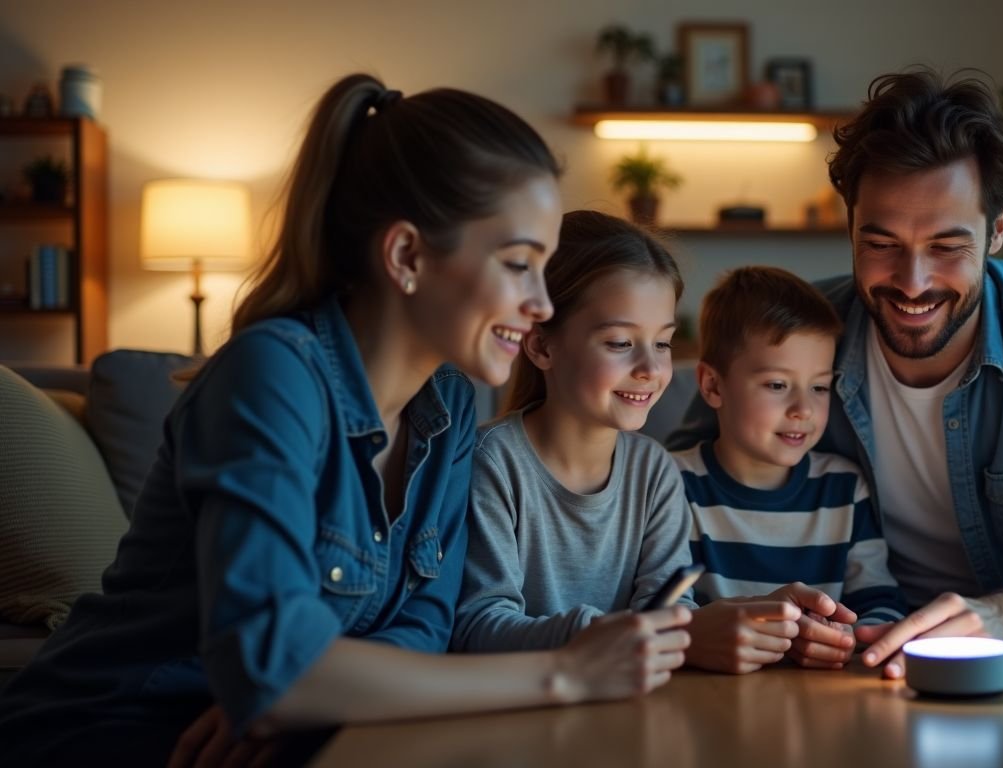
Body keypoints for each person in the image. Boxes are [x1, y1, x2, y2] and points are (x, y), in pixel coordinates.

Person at [0, 75, 690, 766]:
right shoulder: (271, 375)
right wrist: (567, 673)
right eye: (518, 265)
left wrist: (317, 696)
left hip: (302, 737)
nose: (541, 304)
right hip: (115, 730)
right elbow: (271, 667)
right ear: (406, 256)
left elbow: (424, 622)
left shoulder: (447, 405)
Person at [670, 68, 1003, 678]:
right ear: (849, 225)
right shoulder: (797, 335)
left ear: (998, 227)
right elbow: (658, 506)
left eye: (947, 247)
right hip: (851, 655)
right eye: (881, 243)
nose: (912, 281)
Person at [453, 212, 852, 676]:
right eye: (621, 342)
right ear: (542, 346)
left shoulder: (654, 470)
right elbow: (478, 627)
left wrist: (759, 614)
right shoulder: (491, 464)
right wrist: (648, 634)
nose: (650, 368)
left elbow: (668, 608)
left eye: (662, 343)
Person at [670, 267, 906, 671]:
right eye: (777, 385)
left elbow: (881, 604)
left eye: (819, 387)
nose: (803, 410)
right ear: (712, 386)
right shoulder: (672, 484)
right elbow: (661, 609)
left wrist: (849, 638)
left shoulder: (844, 488)